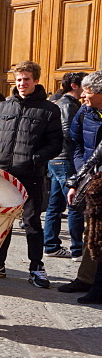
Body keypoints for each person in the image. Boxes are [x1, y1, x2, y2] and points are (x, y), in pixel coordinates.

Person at [0, 60, 63, 288]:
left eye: (26, 80)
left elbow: (55, 143)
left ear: (36, 81)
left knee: (31, 222)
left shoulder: (50, 110)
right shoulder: (4, 107)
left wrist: (34, 159)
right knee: (3, 221)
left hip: (31, 175)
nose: (21, 84)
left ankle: (36, 267)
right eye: (18, 80)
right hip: (4, 174)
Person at [60, 71, 102, 294]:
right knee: (92, 229)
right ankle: (85, 279)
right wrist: (81, 173)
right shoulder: (85, 112)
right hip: (90, 175)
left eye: (87, 93)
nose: (82, 97)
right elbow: (75, 144)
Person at [44, 71, 86, 260]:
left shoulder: (65, 103)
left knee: (55, 204)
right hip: (64, 158)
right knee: (75, 203)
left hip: (57, 158)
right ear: (75, 86)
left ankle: (51, 245)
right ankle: (78, 249)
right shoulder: (68, 105)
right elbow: (69, 132)